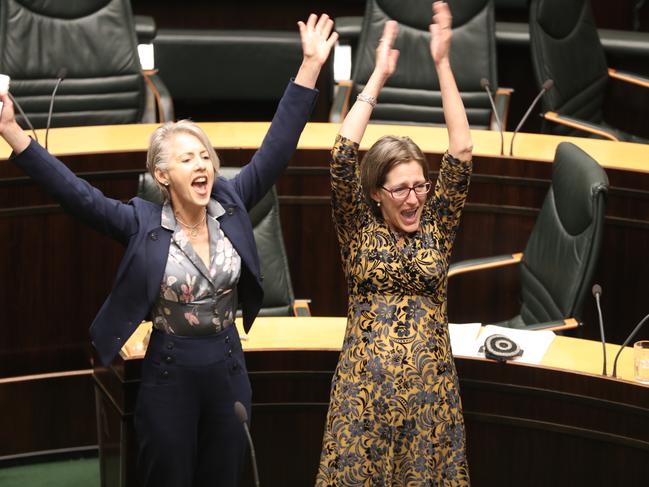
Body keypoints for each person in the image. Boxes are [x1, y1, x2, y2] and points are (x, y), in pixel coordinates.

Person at [0, 13, 337, 487]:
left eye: (205, 155)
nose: (201, 164)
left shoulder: (232, 202)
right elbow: (75, 195)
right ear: (162, 175)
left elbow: (278, 145)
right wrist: (13, 132)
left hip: (227, 365)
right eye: (186, 158)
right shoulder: (140, 222)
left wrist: (309, 67)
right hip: (168, 373)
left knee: (225, 475)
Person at [316, 2, 473, 485]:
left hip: (431, 404)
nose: (414, 199)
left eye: (420, 186)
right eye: (401, 189)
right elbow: (342, 155)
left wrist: (443, 63)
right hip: (362, 402)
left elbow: (461, 152)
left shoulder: (437, 225)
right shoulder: (358, 228)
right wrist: (378, 76)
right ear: (375, 194)